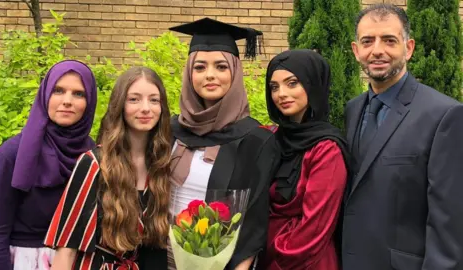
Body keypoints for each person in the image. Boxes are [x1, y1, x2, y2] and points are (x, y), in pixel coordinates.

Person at [343, 4, 463, 270]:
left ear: (408, 48)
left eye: (389, 40)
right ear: (356, 51)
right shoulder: (352, 110)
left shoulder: (444, 115)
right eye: (367, 41)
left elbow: (449, 225)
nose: (377, 50)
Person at [168, 18, 278, 270]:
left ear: (234, 72)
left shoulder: (255, 139)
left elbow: (253, 224)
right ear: (189, 73)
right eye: (199, 67)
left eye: (220, 66)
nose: (210, 75)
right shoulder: (170, 131)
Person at [45, 67, 171, 270]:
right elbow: (66, 249)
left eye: (154, 100)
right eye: (134, 99)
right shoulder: (95, 163)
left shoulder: (161, 166)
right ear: (120, 105)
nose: (146, 108)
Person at [0, 60, 97, 270]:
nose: (67, 101)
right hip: (23, 261)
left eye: (78, 94)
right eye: (58, 91)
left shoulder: (94, 155)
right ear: (45, 96)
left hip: (79, 262)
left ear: (90, 101)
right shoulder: (13, 154)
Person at [259, 49, 350, 270]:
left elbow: (315, 228)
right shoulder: (271, 138)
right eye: (274, 87)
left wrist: (276, 257)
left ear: (312, 85)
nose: (281, 94)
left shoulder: (326, 149)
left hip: (302, 262)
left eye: (292, 83)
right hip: (262, 256)